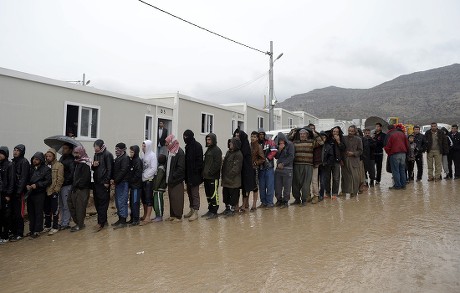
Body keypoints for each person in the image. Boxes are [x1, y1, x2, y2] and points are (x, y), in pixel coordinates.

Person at [26, 152, 51, 238]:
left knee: (38, 212)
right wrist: (27, 185)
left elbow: (48, 181)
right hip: (30, 193)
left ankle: (37, 230)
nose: (34, 161)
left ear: (40, 160)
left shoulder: (46, 169)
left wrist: (37, 185)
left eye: (37, 159)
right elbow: (26, 178)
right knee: (31, 212)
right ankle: (31, 229)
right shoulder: (30, 168)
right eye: (34, 159)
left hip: (39, 193)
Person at [92, 139, 114, 232]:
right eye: (94, 147)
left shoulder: (107, 154)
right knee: (97, 202)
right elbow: (93, 168)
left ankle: (100, 223)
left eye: (96, 147)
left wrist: (107, 181)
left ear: (100, 146)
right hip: (96, 182)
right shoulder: (96, 155)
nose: (94, 148)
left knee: (103, 203)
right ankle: (104, 221)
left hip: (103, 183)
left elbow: (110, 169)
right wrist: (94, 165)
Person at [291, 128, 317, 205]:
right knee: (295, 184)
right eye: (300, 134)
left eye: (304, 134)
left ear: (307, 135)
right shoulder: (295, 142)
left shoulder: (312, 142)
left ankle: (304, 200)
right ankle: (297, 199)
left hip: (308, 165)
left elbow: (321, 142)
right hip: (296, 165)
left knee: (306, 184)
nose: (302, 135)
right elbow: (286, 140)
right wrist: (292, 133)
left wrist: (314, 132)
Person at [68, 146, 91, 232]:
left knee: (80, 207)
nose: (76, 155)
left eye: (77, 153)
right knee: (70, 203)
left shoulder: (85, 164)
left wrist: (77, 185)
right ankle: (78, 222)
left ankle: (80, 225)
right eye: (75, 153)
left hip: (82, 189)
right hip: (74, 188)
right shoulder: (76, 163)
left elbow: (85, 179)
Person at [183, 130, 203, 222]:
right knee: (189, 193)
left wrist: (196, 172)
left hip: (195, 175)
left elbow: (199, 161)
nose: (184, 138)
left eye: (186, 136)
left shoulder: (197, 146)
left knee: (195, 193)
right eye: (184, 136)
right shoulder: (187, 146)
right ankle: (191, 209)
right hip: (188, 174)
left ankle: (196, 211)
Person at [10, 144, 29, 242]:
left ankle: (19, 233)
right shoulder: (13, 162)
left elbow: (23, 178)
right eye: (14, 150)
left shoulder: (24, 162)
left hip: (19, 192)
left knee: (19, 213)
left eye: (17, 150)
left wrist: (19, 191)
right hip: (12, 191)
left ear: (21, 152)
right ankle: (14, 232)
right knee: (13, 213)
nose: (15, 152)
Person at [165, 134, 185, 222]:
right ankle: (172, 215)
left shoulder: (179, 152)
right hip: (170, 180)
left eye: (167, 143)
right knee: (171, 197)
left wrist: (173, 176)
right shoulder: (170, 151)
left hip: (176, 180)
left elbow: (180, 168)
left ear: (172, 142)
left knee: (177, 198)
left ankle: (178, 216)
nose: (166, 144)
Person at [202, 133, 222, 220]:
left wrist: (210, 172)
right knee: (208, 195)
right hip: (206, 177)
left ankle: (214, 211)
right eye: (207, 140)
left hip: (213, 177)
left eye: (209, 140)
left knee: (214, 194)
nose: (208, 141)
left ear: (213, 140)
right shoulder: (208, 150)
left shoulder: (217, 150)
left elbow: (217, 164)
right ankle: (210, 210)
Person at [221, 138, 243, 216]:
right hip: (226, 180)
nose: (230, 144)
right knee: (226, 195)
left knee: (233, 196)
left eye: (231, 143)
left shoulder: (238, 154)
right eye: (229, 143)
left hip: (233, 180)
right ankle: (227, 209)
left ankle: (232, 210)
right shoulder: (228, 152)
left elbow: (236, 168)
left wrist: (229, 175)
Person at [44, 148, 64, 235]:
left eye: (50, 156)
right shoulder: (45, 165)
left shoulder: (59, 165)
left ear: (54, 156)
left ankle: (55, 226)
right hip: (46, 190)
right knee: (47, 209)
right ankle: (47, 225)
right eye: (47, 156)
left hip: (54, 191)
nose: (48, 158)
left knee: (54, 209)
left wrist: (56, 190)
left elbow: (60, 179)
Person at [322, 127, 345, 199]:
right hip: (328, 161)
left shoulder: (341, 138)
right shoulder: (327, 138)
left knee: (336, 178)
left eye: (337, 132)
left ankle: (335, 193)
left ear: (339, 132)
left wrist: (338, 141)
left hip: (336, 161)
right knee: (327, 178)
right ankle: (327, 193)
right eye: (334, 131)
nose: (335, 133)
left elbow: (343, 148)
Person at [111, 143, 130, 229]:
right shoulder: (118, 158)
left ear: (123, 150)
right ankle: (120, 219)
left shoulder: (125, 158)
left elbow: (123, 171)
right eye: (116, 149)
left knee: (122, 202)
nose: (116, 151)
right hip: (118, 183)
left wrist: (115, 180)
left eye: (118, 149)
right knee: (118, 202)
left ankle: (123, 221)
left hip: (123, 182)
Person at [236, 130, 256, 212]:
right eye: (236, 135)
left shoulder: (245, 146)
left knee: (246, 188)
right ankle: (243, 204)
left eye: (238, 135)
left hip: (246, 170)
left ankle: (244, 205)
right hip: (239, 170)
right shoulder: (237, 145)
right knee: (239, 188)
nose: (237, 137)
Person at [384, 124, 409, 189]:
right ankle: (403, 185)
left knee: (395, 170)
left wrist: (389, 153)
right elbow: (407, 144)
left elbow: (387, 146)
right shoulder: (402, 134)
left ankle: (397, 185)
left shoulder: (390, 134)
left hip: (394, 154)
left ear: (388, 129)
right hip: (403, 154)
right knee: (402, 170)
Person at [257, 128, 277, 208]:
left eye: (262, 134)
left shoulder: (270, 141)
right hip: (260, 168)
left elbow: (274, 151)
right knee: (261, 186)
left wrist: (268, 158)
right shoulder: (256, 143)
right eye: (260, 134)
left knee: (270, 186)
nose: (261, 136)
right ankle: (263, 202)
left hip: (269, 167)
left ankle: (270, 203)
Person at [274, 132, 294, 207]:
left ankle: (285, 202)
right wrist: (279, 149)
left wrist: (283, 164)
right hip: (278, 169)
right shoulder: (277, 146)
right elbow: (276, 157)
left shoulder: (290, 145)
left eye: (282, 139)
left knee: (287, 187)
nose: (281, 141)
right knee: (277, 187)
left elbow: (291, 156)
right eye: (279, 140)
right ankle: (279, 200)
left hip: (287, 169)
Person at [342, 125, 363, 196]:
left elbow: (360, 151)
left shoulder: (358, 139)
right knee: (345, 176)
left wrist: (353, 153)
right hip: (345, 160)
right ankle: (344, 191)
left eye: (352, 131)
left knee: (355, 177)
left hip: (354, 160)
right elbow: (340, 148)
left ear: (355, 132)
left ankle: (354, 193)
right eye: (349, 131)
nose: (350, 132)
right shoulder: (344, 138)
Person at [140, 140, 157, 225]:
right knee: (143, 199)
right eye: (142, 146)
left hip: (149, 180)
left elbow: (154, 168)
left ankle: (148, 217)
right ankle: (145, 214)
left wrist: (145, 176)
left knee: (148, 198)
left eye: (144, 146)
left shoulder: (152, 156)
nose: (143, 148)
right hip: (142, 180)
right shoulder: (143, 155)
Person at [58, 143, 74, 230]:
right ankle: (61, 221)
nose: (64, 150)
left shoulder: (71, 160)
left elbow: (72, 174)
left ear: (70, 150)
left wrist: (65, 181)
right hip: (60, 184)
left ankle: (65, 223)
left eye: (66, 148)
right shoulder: (61, 158)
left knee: (66, 205)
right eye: (63, 148)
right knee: (60, 204)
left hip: (67, 185)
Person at [0, 146, 14, 244]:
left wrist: (8, 194)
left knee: (6, 216)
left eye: (1, 153)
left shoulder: (10, 165)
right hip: (0, 194)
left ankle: (6, 235)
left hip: (5, 194)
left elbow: (11, 180)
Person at [127, 145, 143, 226]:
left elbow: (138, 174)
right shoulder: (132, 160)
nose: (131, 153)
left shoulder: (138, 161)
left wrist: (131, 181)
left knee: (135, 203)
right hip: (132, 186)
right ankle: (132, 218)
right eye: (130, 152)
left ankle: (136, 220)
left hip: (136, 186)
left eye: (132, 152)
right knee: (131, 203)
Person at [250, 131, 265, 211]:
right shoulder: (248, 145)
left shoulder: (258, 147)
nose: (252, 138)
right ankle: (245, 204)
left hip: (255, 168)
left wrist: (256, 162)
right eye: (252, 136)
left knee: (255, 187)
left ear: (257, 138)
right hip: (248, 169)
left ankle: (254, 205)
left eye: (254, 137)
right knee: (247, 186)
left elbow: (262, 158)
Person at [152, 154, 167, 222]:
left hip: (159, 188)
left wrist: (155, 188)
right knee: (157, 202)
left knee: (158, 202)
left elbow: (158, 179)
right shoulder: (161, 167)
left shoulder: (161, 168)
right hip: (158, 188)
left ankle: (159, 216)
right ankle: (157, 215)